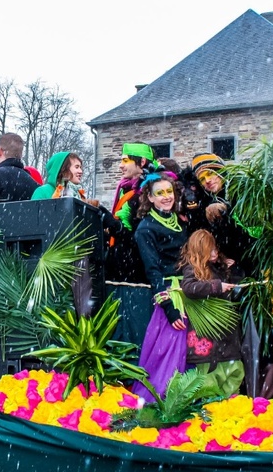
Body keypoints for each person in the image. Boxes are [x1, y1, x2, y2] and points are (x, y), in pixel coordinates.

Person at [130, 171, 189, 403]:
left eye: (169, 192)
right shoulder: (146, 229)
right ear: (150, 198)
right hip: (170, 297)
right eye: (160, 193)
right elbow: (153, 271)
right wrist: (168, 307)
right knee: (168, 355)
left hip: (190, 293)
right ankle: (162, 403)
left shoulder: (181, 221)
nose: (166, 197)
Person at [179, 229, 245, 397]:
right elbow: (189, 288)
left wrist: (230, 270)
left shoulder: (220, 268)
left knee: (233, 375)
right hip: (206, 343)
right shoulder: (192, 270)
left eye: (215, 248)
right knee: (207, 383)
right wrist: (216, 286)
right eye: (211, 250)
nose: (215, 252)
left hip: (227, 340)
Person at [105, 143, 156, 349]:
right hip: (121, 272)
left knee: (136, 335)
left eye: (125, 160)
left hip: (136, 276)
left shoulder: (147, 193)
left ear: (142, 162)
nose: (120, 166)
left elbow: (137, 237)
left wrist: (111, 224)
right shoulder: (127, 189)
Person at [191, 153, 259, 277]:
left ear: (220, 171)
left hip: (257, 254)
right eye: (202, 179)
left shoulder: (242, 188)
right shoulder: (206, 201)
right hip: (234, 265)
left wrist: (225, 209)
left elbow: (251, 223)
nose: (207, 181)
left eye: (210, 173)